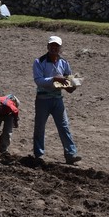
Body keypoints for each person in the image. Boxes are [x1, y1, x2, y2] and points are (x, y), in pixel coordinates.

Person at [32, 35, 82, 164]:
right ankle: (39, 155)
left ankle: (70, 154)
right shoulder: (39, 62)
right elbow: (38, 81)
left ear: (60, 48)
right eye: (52, 45)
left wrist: (72, 85)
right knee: (40, 127)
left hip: (58, 98)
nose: (54, 48)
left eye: (57, 46)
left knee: (64, 126)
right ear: (48, 46)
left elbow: (68, 80)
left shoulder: (64, 62)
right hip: (43, 99)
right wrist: (54, 79)